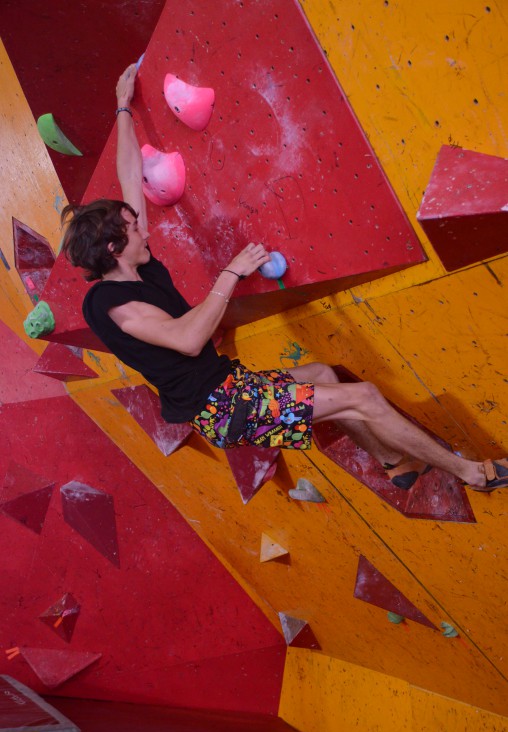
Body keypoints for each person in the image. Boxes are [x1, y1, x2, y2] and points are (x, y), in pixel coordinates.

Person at [61, 64, 508, 493]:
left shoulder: (137, 263)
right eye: (133, 228)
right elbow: (188, 339)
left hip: (232, 389)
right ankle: (471, 472)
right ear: (113, 249)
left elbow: (130, 178)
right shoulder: (106, 303)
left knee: (323, 374)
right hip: (224, 410)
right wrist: (231, 273)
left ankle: (394, 461)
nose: (143, 230)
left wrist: (123, 107)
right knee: (366, 397)